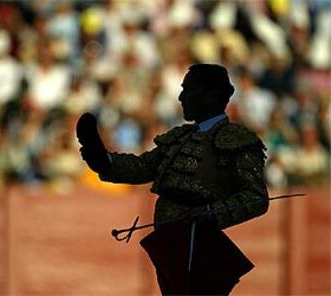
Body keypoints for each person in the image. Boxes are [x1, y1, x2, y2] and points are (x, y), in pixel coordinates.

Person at [77, 64, 269, 295]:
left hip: (201, 242)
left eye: (189, 90)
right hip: (169, 241)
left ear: (212, 95)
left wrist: (209, 213)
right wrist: (103, 159)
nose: (181, 97)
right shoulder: (181, 137)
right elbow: (141, 168)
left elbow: (256, 197)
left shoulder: (238, 140)